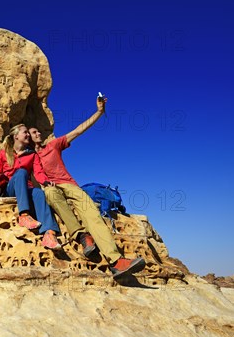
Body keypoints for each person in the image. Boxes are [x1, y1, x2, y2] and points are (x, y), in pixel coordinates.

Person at [29, 97, 146, 278]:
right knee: (50, 193)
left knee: (92, 214)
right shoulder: (30, 159)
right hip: (51, 188)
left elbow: (78, 130)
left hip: (69, 185)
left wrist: (99, 112)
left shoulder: (53, 145)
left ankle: (117, 262)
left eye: (37, 131)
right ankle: (82, 236)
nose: (38, 134)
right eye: (34, 132)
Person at [0, 124, 61, 249]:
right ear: (16, 136)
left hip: (27, 189)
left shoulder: (32, 155)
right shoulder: (4, 153)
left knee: (39, 193)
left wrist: (46, 181)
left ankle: (49, 234)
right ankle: (24, 215)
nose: (28, 135)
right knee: (22, 172)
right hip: (10, 188)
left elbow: (38, 172)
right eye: (25, 132)